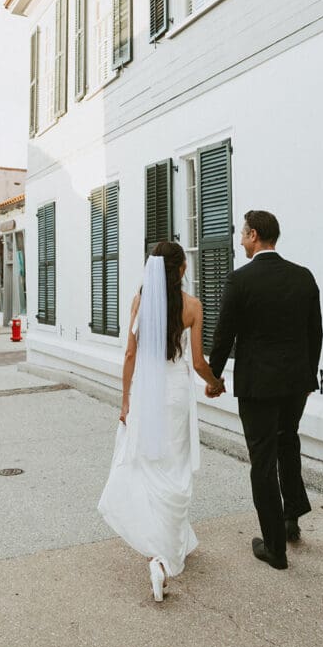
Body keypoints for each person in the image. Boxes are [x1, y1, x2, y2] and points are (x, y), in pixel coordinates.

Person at [98, 241, 223, 602]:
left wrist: (125, 400)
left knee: (150, 466)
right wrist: (216, 383)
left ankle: (169, 543)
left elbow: (130, 354)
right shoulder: (193, 306)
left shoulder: (140, 302)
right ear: (182, 268)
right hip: (174, 394)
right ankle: (162, 559)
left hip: (146, 391)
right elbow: (199, 363)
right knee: (175, 468)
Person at [209, 210, 323, 571]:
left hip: (259, 385)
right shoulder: (303, 277)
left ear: (255, 235)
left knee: (263, 459)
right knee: (288, 442)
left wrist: (213, 377)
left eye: (243, 235)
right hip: (294, 384)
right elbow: (315, 333)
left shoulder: (240, 280)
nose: (240, 241)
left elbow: (224, 334)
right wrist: (308, 379)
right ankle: (291, 520)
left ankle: (275, 548)